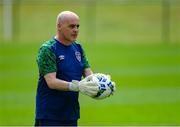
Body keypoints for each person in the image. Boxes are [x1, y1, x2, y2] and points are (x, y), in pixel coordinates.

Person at [35, 11, 99, 126]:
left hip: (71, 114)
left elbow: (89, 74)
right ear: (59, 26)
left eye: (77, 26)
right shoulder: (48, 49)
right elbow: (51, 82)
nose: (75, 30)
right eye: (71, 26)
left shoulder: (78, 48)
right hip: (50, 115)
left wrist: (102, 84)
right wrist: (76, 86)